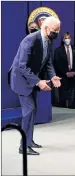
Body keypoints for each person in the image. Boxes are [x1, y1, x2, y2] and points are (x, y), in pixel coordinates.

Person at [8, 16, 62, 155]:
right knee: (29, 110)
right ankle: (23, 146)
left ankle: (29, 140)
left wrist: (53, 76)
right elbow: (22, 65)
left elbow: (48, 63)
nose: (57, 33)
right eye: (55, 30)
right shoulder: (30, 40)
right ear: (45, 28)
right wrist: (38, 82)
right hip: (21, 80)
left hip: (31, 80)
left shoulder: (49, 41)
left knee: (32, 110)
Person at [54, 32, 75, 108]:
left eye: (69, 38)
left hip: (74, 76)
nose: (67, 40)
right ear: (63, 39)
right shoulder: (58, 51)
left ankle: (73, 107)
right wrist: (65, 73)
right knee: (63, 95)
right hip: (63, 76)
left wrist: (74, 72)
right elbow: (57, 63)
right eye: (66, 38)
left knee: (73, 96)